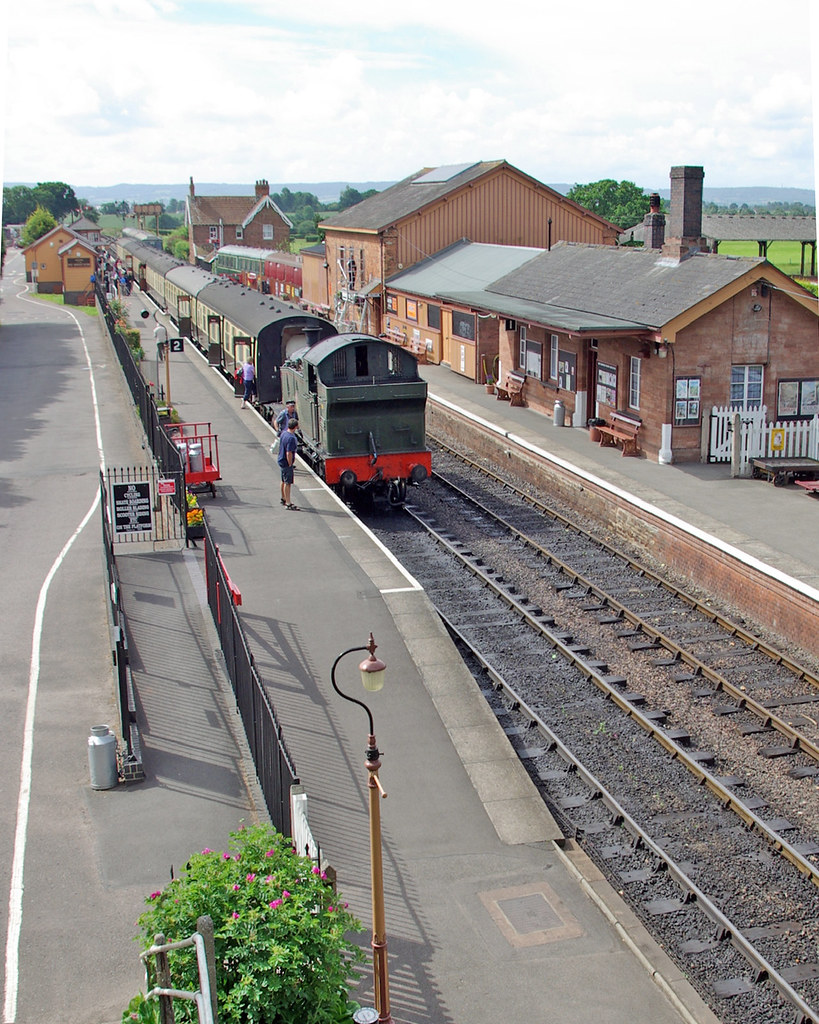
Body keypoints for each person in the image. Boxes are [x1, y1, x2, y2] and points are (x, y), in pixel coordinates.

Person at [277, 418, 299, 509]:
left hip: (281, 460)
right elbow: (289, 453)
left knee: (283, 480)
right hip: (286, 462)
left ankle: (283, 498)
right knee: (287, 482)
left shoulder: (283, 433)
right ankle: (288, 503)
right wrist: (290, 464)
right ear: (296, 427)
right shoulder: (291, 438)